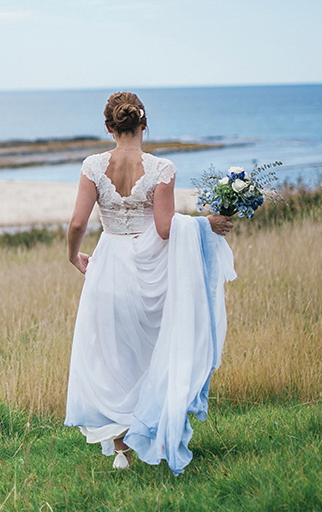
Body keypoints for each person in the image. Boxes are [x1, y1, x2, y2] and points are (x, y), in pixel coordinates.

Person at [64, 92, 235, 475]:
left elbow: (77, 224)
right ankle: (151, 431)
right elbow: (164, 226)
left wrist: (74, 255)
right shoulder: (162, 168)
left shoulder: (92, 166)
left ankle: (122, 450)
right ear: (145, 125)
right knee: (150, 353)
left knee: (114, 354)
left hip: (107, 265)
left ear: (109, 128)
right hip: (149, 270)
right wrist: (205, 223)